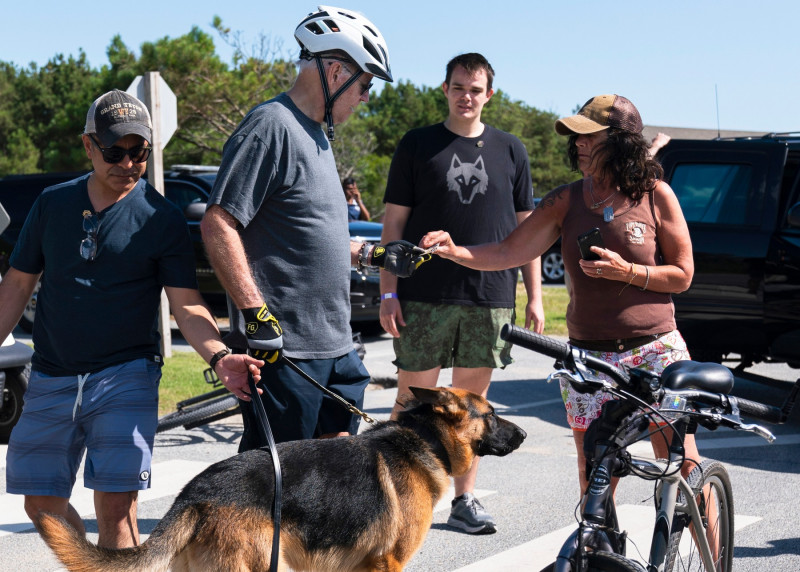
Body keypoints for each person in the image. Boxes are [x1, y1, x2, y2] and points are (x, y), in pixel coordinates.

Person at [0, 89, 263, 549]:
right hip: (52, 374)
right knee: (40, 505)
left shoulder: (160, 218)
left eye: (138, 151)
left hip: (125, 375)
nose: (128, 162)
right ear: (88, 146)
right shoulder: (51, 205)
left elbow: (186, 304)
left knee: (116, 512)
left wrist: (221, 356)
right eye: (114, 151)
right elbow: (17, 286)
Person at [421, 94, 699, 498]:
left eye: (589, 136)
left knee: (682, 467)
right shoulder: (566, 200)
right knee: (594, 481)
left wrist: (629, 272)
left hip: (655, 350)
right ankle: (601, 555)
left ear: (621, 141)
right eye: (576, 137)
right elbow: (506, 251)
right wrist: (454, 250)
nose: (579, 144)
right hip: (588, 359)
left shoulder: (656, 195)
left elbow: (683, 275)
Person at [200, 6, 428, 451]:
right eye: (364, 86)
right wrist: (255, 313)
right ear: (336, 70)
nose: (365, 98)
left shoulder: (318, 134)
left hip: (336, 345)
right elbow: (218, 223)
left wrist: (371, 255)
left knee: (336, 480)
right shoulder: (270, 126)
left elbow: (307, 234)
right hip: (289, 352)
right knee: (275, 488)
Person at [380, 52, 544, 535]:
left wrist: (534, 295)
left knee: (473, 406)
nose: (466, 96)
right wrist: (389, 293)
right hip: (423, 294)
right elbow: (393, 225)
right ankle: (391, 496)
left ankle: (464, 501)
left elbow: (526, 230)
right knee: (413, 401)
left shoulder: (511, 149)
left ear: (489, 94)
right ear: (445, 89)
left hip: (490, 295)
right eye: (457, 87)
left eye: (475, 89)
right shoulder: (418, 145)